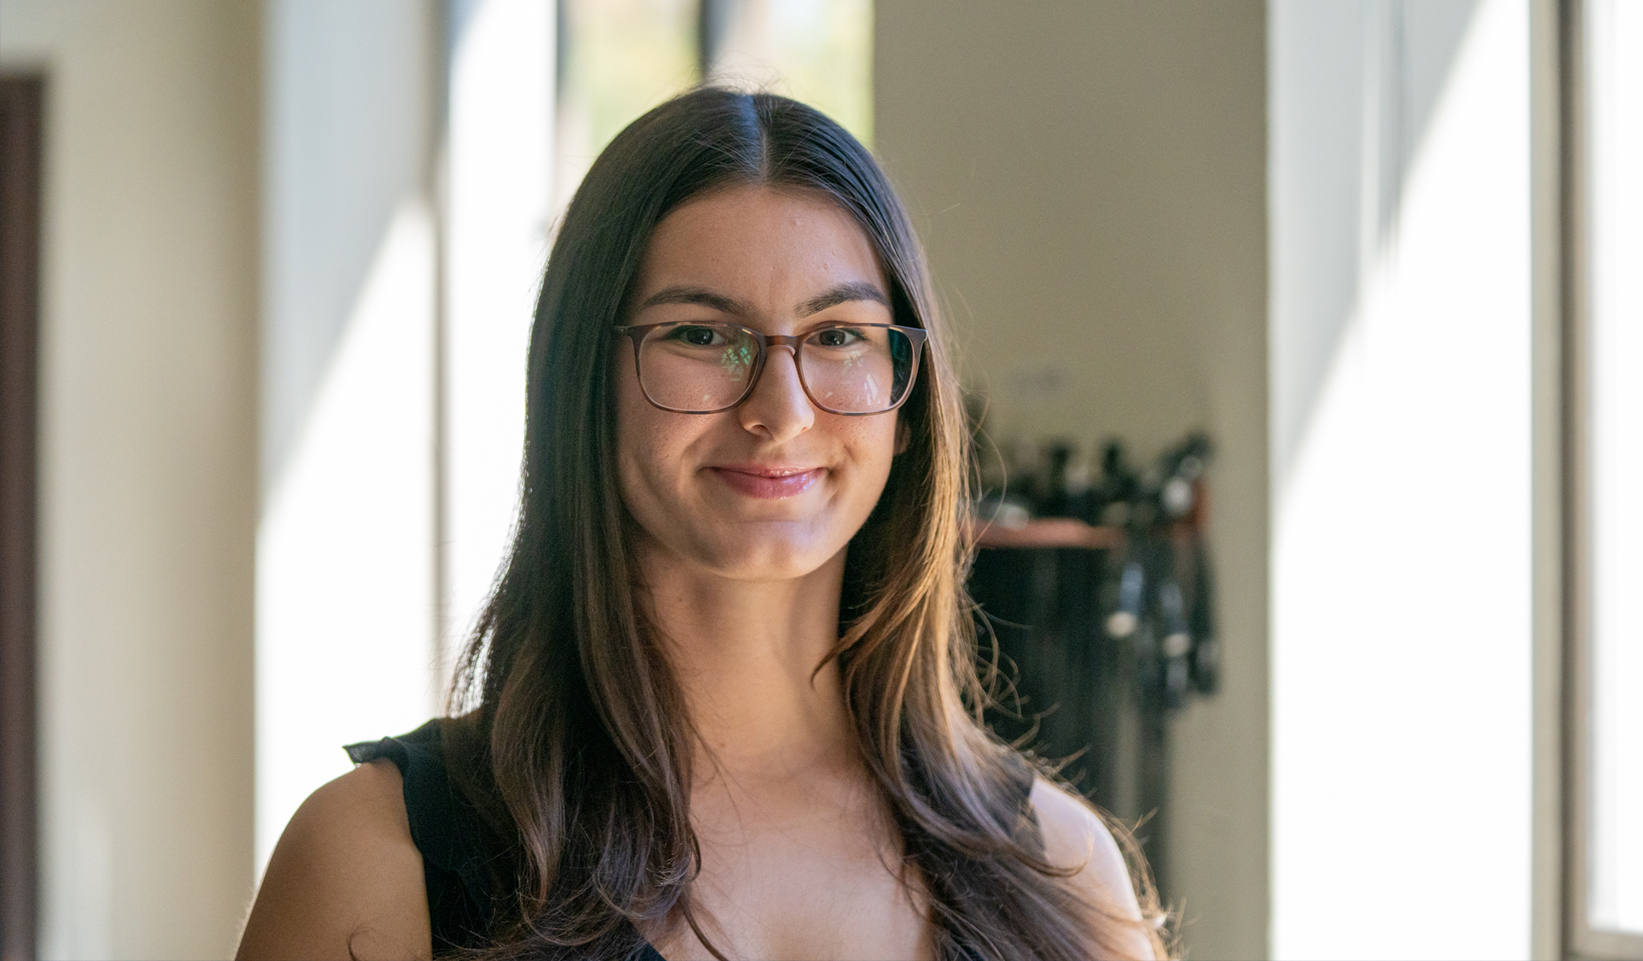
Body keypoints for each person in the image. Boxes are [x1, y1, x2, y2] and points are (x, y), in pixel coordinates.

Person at [236, 87, 1167, 961]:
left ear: (908, 403)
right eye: (701, 334)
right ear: (584, 385)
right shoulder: (376, 862)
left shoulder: (1065, 872)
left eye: (838, 335)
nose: (781, 411)